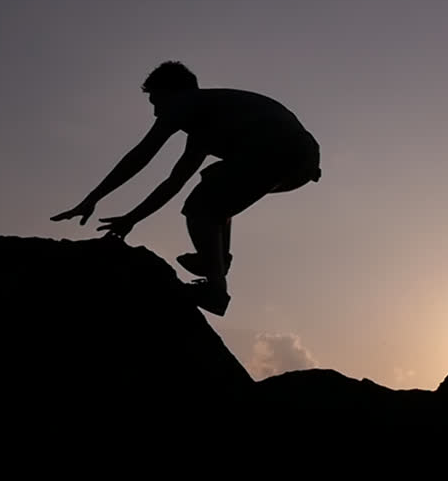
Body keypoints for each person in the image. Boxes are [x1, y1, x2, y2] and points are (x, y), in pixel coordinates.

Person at [51, 61, 321, 315]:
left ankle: (215, 285)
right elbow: (172, 183)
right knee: (217, 197)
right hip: (299, 161)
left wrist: (93, 198)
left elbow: (142, 154)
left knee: (204, 201)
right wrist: (130, 219)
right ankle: (217, 264)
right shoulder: (205, 128)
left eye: (157, 102)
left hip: (280, 148)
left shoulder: (187, 102)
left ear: (173, 92)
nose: (157, 113)